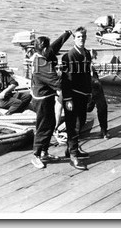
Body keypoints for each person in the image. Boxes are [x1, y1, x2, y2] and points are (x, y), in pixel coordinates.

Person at [29, 30, 72, 169]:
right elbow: (57, 83)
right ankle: (36, 155)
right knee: (43, 127)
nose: (50, 50)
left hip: (47, 97)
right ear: (44, 49)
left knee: (51, 123)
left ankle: (44, 152)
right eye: (48, 48)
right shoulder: (41, 65)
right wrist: (63, 74)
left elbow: (55, 46)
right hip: (41, 100)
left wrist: (66, 35)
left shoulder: (41, 55)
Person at [61, 27, 93, 171]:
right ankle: (73, 155)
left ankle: (71, 148)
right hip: (72, 96)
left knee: (81, 122)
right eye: (79, 37)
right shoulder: (69, 56)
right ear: (74, 39)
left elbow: (88, 75)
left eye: (83, 36)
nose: (82, 39)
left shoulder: (86, 53)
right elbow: (66, 80)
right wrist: (67, 99)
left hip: (83, 95)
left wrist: (89, 93)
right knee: (73, 126)